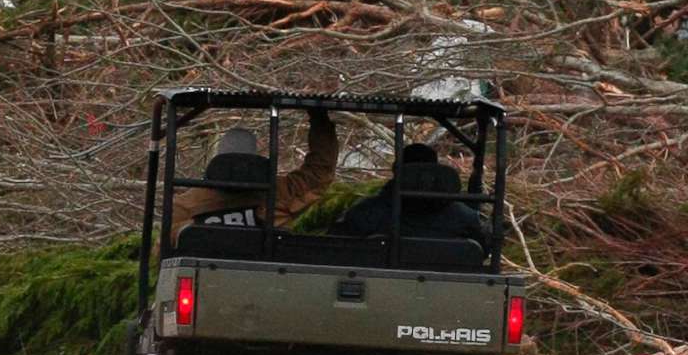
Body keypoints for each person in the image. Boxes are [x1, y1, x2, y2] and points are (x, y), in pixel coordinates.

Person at [169, 109, 340, 230]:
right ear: (255, 156)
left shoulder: (185, 206)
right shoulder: (280, 193)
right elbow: (319, 172)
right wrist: (319, 118)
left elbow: (162, 253)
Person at [336, 143, 487, 244]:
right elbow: (485, 248)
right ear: (435, 171)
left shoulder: (367, 213)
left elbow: (338, 247)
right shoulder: (465, 217)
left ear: (396, 171)